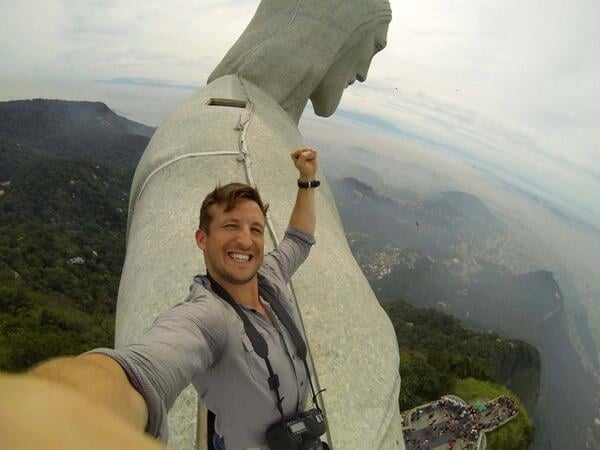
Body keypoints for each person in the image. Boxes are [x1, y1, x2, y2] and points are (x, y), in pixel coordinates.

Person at [0, 148, 319, 450]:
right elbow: (140, 373)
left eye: (256, 229)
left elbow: (299, 239)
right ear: (202, 238)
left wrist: (306, 180)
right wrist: (57, 414)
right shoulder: (207, 317)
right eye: (230, 226)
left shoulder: (271, 275)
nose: (245, 240)